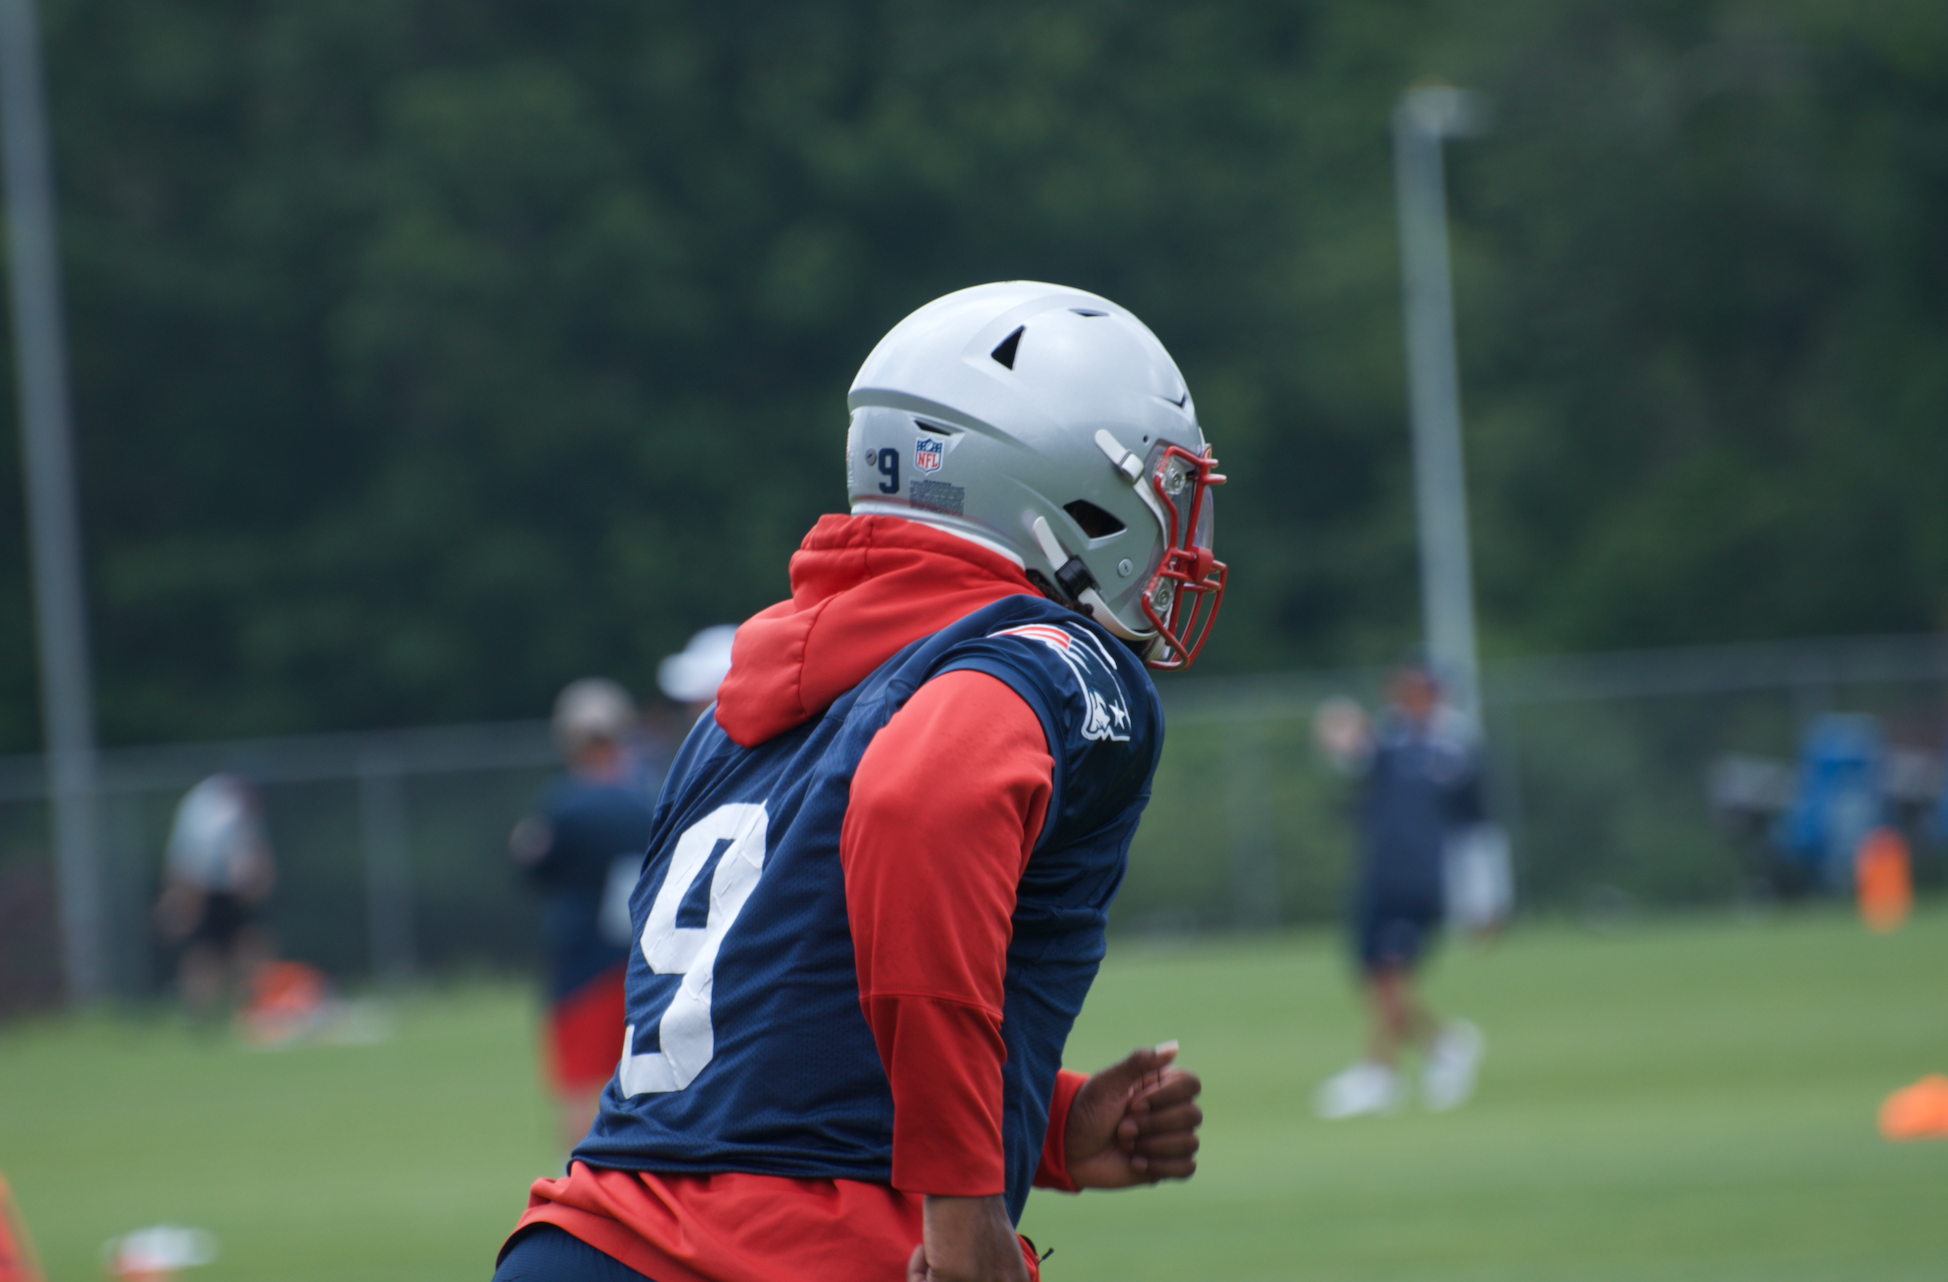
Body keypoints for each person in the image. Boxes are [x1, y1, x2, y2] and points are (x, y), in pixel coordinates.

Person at [492, 281, 1226, 1282]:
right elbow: (921, 804)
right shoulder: (1046, 658)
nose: (1178, 525)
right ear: (1061, 484)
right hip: (798, 1252)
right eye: (1161, 482)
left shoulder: (750, 699)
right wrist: (965, 1203)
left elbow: (764, 1004)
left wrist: (1042, 1122)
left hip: (585, 1242)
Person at [1312, 661, 1486, 1119]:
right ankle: (1443, 1044)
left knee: (1392, 971)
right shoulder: (1391, 743)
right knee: (1373, 975)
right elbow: (1354, 755)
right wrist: (1339, 733)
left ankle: (1379, 1073)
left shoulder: (1455, 752)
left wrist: (1485, 898)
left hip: (1421, 881)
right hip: (1379, 876)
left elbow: (1477, 829)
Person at [512, 679, 659, 1148]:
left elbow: (531, 864)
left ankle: (579, 1178)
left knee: (580, 1086)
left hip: (582, 962)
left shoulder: (565, 805)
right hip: (649, 961)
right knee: (647, 1084)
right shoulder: (650, 795)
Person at [152, 773, 276, 1022]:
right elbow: (191, 860)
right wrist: (182, 899)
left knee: (242, 947)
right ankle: (203, 1012)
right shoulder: (211, 806)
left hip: (227, 890)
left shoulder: (226, 805)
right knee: (208, 953)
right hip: (209, 890)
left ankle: (244, 1008)